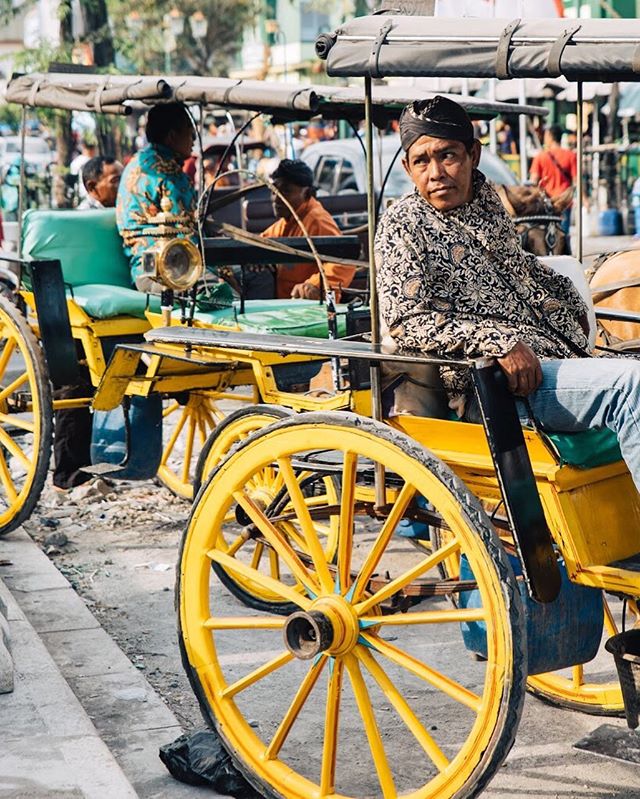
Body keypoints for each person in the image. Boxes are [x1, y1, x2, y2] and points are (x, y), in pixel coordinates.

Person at [375, 95, 640, 493]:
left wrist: (566, 292)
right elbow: (408, 322)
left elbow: (518, 267)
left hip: (552, 357)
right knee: (630, 385)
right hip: (493, 386)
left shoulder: (487, 204)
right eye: (421, 161)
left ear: (473, 154)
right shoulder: (402, 225)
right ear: (407, 168)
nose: (435, 173)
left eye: (447, 155)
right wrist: (499, 342)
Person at [53, 157, 123, 490]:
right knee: (74, 390)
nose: (121, 185)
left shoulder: (126, 214)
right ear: (92, 187)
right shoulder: (77, 221)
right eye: (114, 179)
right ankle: (68, 474)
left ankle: (110, 463)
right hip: (74, 310)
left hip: (117, 305)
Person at [116, 102, 198, 293]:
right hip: (172, 270)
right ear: (172, 136)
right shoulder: (169, 173)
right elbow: (189, 236)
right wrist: (225, 273)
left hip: (140, 271)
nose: (193, 139)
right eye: (189, 131)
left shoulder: (139, 161)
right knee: (231, 295)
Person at [261, 159, 355, 300]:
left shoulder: (317, 220)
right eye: (274, 191)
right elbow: (258, 243)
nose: (277, 198)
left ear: (306, 193)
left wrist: (315, 285)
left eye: (286, 191)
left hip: (307, 310)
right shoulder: (285, 222)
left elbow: (343, 261)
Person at [529, 124, 576, 233]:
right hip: (565, 202)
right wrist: (584, 199)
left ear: (550, 136)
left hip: (547, 202)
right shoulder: (570, 156)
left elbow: (533, 181)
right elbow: (576, 181)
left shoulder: (540, 157)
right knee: (563, 234)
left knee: (547, 234)